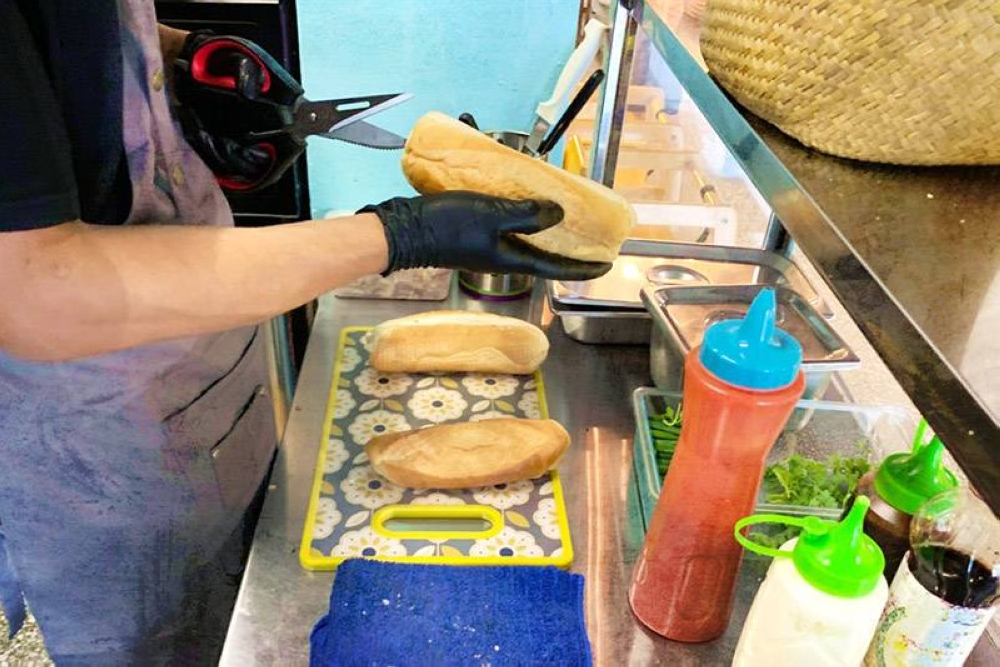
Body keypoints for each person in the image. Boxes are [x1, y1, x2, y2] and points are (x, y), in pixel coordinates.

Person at [0, 1, 609, 663]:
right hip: (95, 442)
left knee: (237, 594)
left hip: (201, 376)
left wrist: (180, 58)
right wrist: (397, 235)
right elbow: (35, 293)